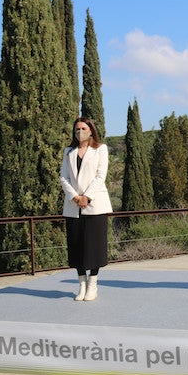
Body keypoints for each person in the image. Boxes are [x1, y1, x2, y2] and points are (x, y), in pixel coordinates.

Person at [60, 117, 113, 302]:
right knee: (76, 246)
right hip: (73, 206)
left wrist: (86, 197)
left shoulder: (100, 149)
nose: (80, 131)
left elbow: (100, 176)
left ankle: (93, 284)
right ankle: (81, 284)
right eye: (77, 129)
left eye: (83, 128)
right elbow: (63, 177)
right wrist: (75, 196)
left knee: (94, 246)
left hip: (95, 205)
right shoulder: (69, 151)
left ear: (91, 130)